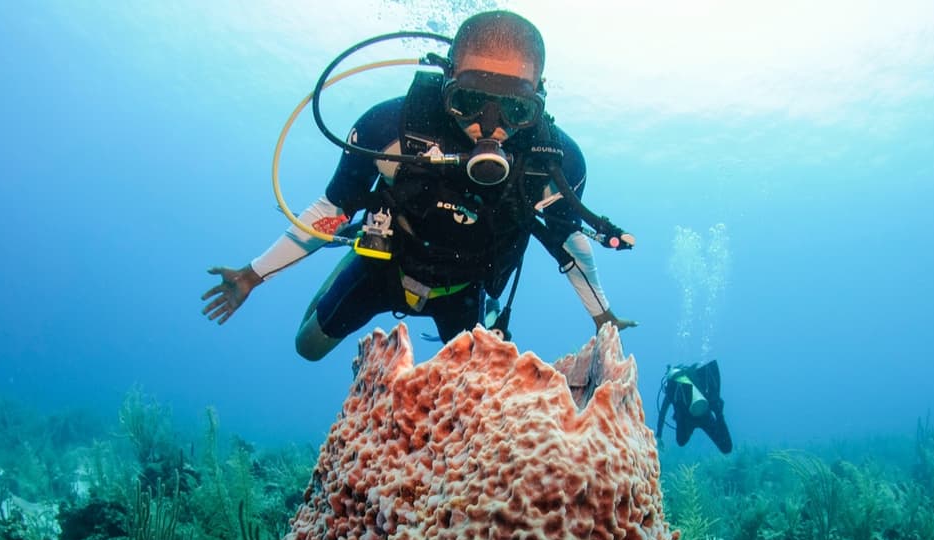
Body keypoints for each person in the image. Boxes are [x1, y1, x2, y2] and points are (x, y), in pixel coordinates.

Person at [202, 10, 636, 360]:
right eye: (468, 102)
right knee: (308, 348)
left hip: (466, 291)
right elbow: (332, 210)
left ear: (538, 100)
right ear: (448, 82)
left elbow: (567, 240)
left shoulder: (555, 163)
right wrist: (253, 274)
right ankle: (347, 261)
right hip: (384, 265)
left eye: (515, 110)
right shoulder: (391, 130)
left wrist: (603, 316)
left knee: (476, 395)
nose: (491, 128)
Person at [656, 361, 733, 454]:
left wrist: (659, 435)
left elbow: (663, 412)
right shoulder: (691, 379)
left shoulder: (672, 387)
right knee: (726, 448)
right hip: (704, 414)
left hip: (687, 419)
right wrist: (718, 412)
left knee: (681, 441)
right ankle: (718, 412)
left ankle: (682, 415)